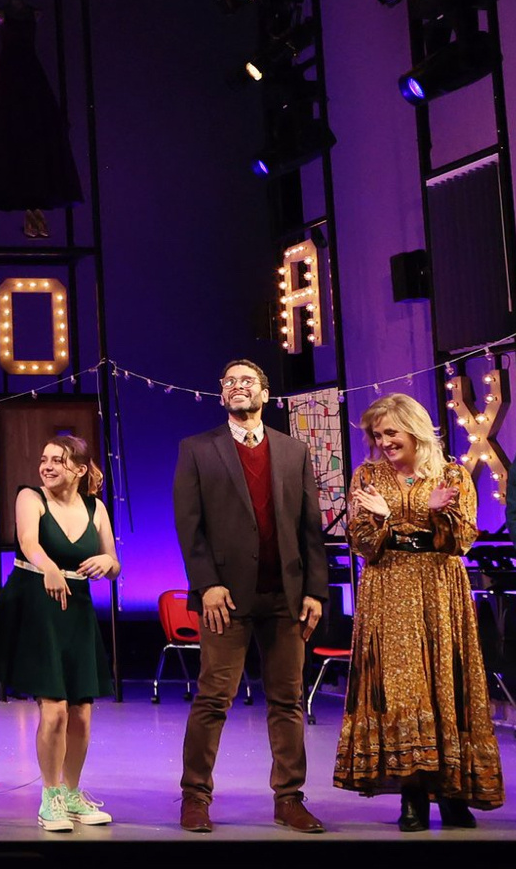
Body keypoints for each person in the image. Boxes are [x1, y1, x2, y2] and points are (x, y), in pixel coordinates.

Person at [334, 393, 504, 829]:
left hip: (439, 591)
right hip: (389, 590)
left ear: (414, 429)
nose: (384, 441)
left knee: (445, 688)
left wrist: (436, 515)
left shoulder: (452, 475)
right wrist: (387, 518)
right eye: (378, 434)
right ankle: (412, 796)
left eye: (391, 432)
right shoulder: (368, 475)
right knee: (403, 690)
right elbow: (362, 541)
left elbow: (461, 540)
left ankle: (451, 794)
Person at [172, 357, 327, 834]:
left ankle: (289, 798)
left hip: (285, 597)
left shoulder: (293, 450)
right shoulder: (198, 449)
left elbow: (309, 530)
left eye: (248, 381)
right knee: (214, 697)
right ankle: (195, 796)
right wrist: (207, 584)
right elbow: (189, 526)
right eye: (230, 382)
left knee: (288, 699)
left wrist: (315, 592)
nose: (238, 387)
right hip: (226, 599)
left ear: (264, 393)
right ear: (222, 395)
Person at [0, 434, 118, 831]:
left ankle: (74, 793)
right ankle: (51, 797)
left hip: (76, 609)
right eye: (44, 459)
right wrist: (51, 568)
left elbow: (115, 564)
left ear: (78, 469)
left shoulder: (96, 507)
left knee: (82, 712)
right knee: (55, 708)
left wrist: (105, 562)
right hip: (37, 604)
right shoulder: (31, 496)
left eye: (58, 460)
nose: (47, 466)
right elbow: (27, 542)